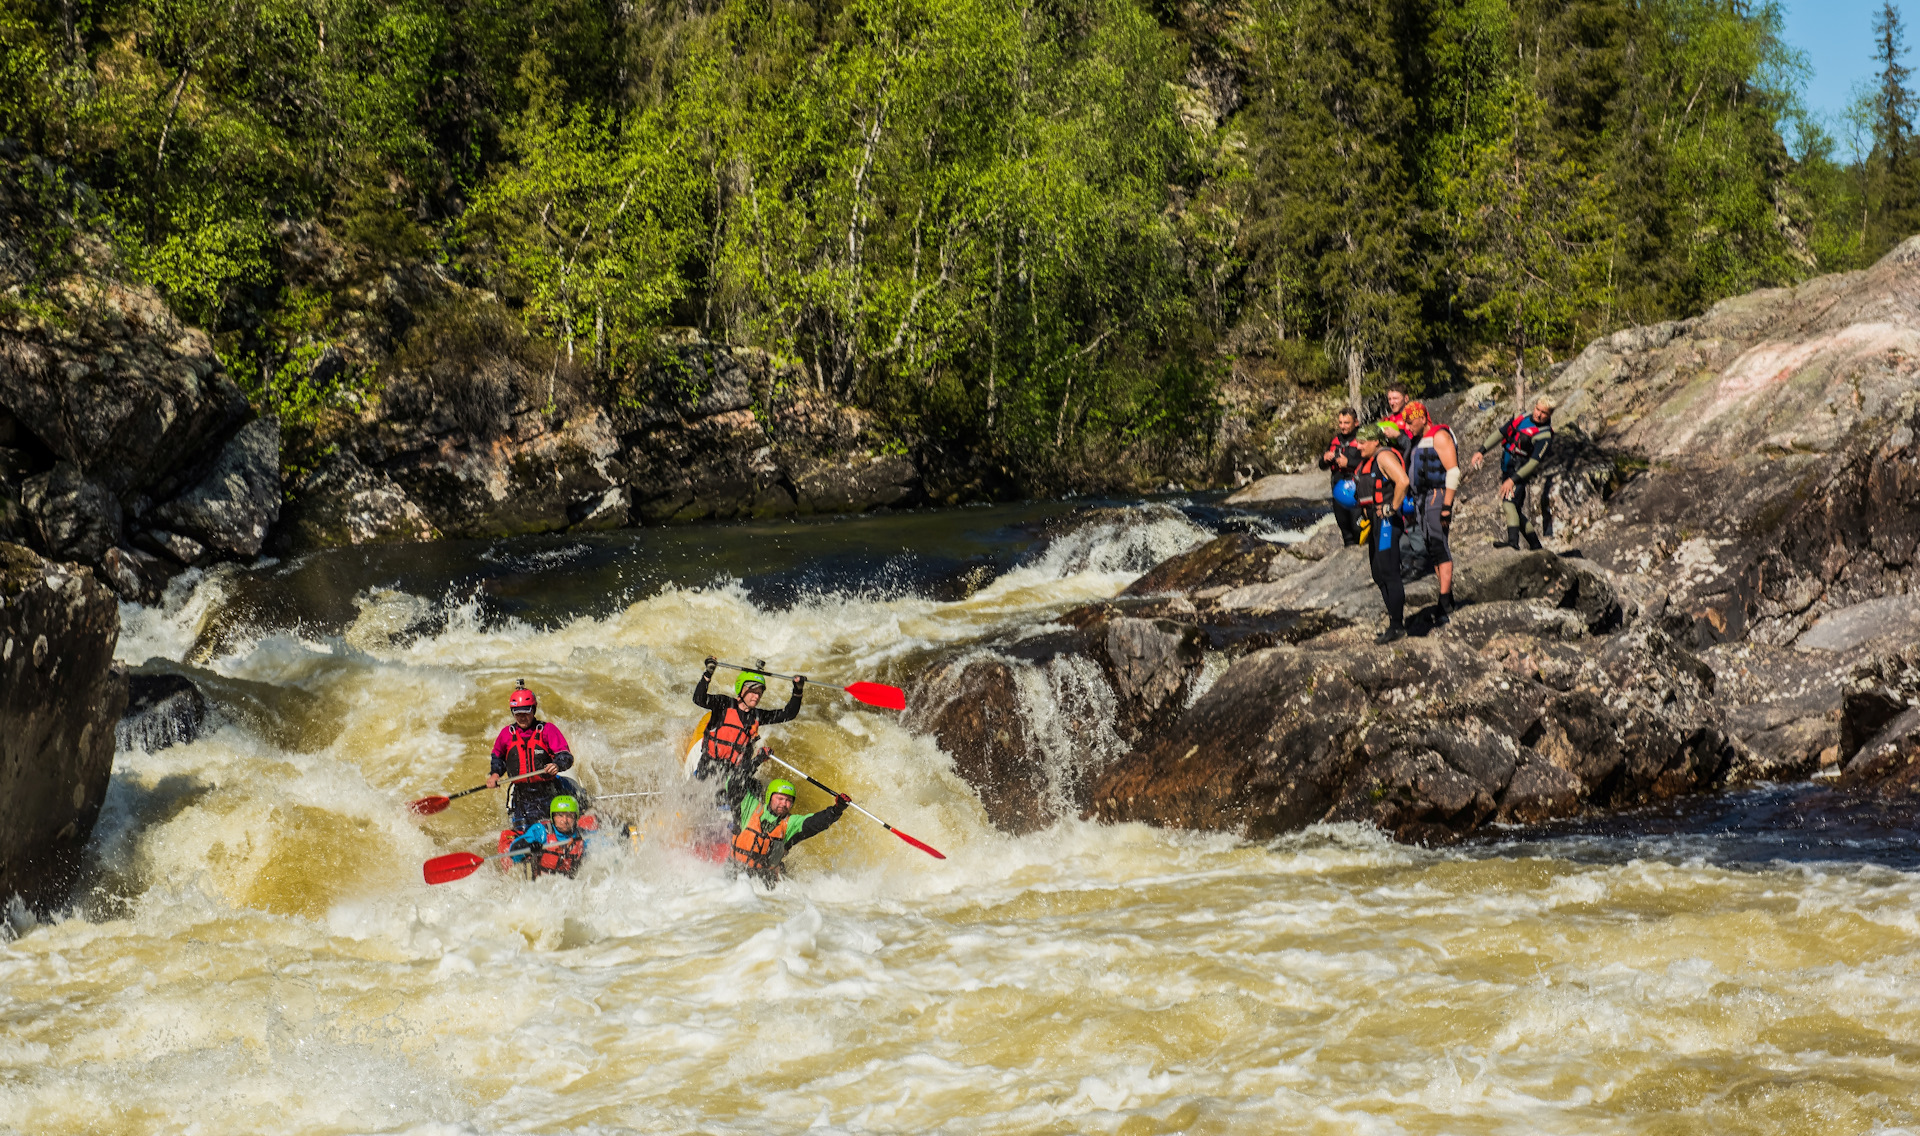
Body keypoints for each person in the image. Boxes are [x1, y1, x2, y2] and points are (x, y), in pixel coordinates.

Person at [691, 659, 805, 790]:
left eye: (759, 693)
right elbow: (698, 699)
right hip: (707, 767)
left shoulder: (757, 715)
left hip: (734, 776)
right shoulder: (723, 704)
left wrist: (798, 691)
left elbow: (788, 714)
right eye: (753, 691)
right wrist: (708, 674)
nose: (756, 696)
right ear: (741, 689)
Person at [1400, 401, 1460, 623]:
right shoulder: (1417, 441)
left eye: (1411, 421)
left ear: (1423, 418)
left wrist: (1447, 506)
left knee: (1439, 545)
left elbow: (1453, 471)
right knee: (1430, 547)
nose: (1408, 426)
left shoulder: (1440, 436)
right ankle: (1447, 598)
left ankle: (1444, 602)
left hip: (1437, 496)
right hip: (1421, 500)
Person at [487, 681, 576, 832]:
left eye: (526, 712)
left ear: (533, 710)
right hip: (521, 798)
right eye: (517, 713)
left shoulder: (547, 730)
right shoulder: (506, 735)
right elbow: (498, 758)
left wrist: (557, 765)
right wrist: (495, 774)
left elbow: (565, 756)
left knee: (555, 833)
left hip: (548, 793)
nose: (522, 717)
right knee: (525, 837)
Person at [1353, 423, 1412, 643]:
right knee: (1378, 573)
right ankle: (1393, 621)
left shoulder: (1384, 457)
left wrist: (1392, 507)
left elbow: (1403, 481)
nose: (1358, 446)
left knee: (1388, 572)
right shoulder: (1368, 460)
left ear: (1376, 441)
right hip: (1375, 522)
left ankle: (1397, 626)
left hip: (1387, 521)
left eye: (1362, 442)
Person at [1472, 396, 1556, 550]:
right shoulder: (1521, 417)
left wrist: (1512, 480)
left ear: (1549, 415)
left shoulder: (1545, 436)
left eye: (1544, 413)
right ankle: (1536, 545)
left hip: (1521, 472)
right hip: (1507, 467)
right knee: (1516, 510)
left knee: (1508, 502)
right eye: (1538, 409)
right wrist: (1481, 451)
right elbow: (1501, 433)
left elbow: (1533, 463)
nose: (1538, 414)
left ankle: (1513, 543)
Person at [729, 776, 849, 883]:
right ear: (769, 797)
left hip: (763, 879)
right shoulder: (751, 806)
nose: (784, 804)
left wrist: (836, 810)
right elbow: (733, 782)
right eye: (780, 798)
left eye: (788, 800)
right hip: (734, 870)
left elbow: (814, 823)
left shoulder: (790, 823)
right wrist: (756, 761)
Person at [508, 795, 589, 879]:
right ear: (552, 817)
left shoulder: (583, 835)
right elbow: (514, 854)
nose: (564, 821)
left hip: (570, 885)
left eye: (569, 816)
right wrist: (528, 847)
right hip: (542, 884)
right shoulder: (541, 831)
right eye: (560, 815)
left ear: (576, 817)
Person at [1319, 408, 1364, 546]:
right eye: (1340, 423)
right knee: (1346, 532)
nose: (1343, 426)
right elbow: (1321, 466)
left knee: (1358, 529)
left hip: (1357, 491)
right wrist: (1325, 459)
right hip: (1338, 491)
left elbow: (1372, 462)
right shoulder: (1335, 440)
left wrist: (1348, 463)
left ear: (1356, 423)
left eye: (1346, 423)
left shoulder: (1363, 439)